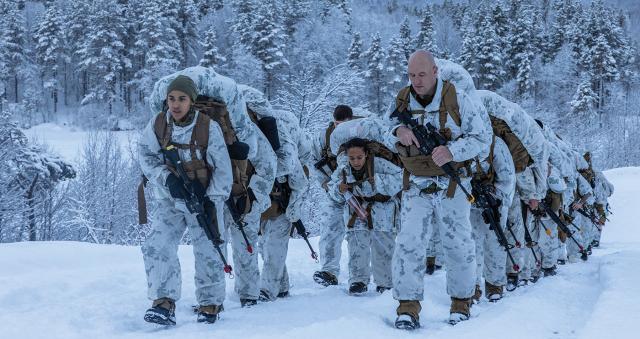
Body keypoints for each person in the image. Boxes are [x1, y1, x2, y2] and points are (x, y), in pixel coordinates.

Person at [387, 50, 492, 330]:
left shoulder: (457, 99)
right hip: (416, 184)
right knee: (409, 244)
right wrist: (398, 132)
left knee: (457, 244)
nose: (416, 81)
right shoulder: (401, 98)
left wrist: (452, 150)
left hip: (452, 183)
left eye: (421, 74)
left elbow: (482, 139)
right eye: (411, 75)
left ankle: (461, 302)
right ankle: (407, 306)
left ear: (435, 71)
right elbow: (383, 126)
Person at [138, 75, 232, 325]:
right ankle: (163, 302)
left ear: (191, 101)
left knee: (209, 247)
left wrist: (212, 199)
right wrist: (166, 180)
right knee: (157, 244)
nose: (176, 104)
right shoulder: (158, 124)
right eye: (171, 98)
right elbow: (146, 155)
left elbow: (222, 169)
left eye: (182, 99)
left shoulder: (207, 126)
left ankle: (210, 302)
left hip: (204, 199)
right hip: (170, 199)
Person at [327, 138, 402, 295]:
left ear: (366, 154)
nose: (355, 161)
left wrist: (377, 181)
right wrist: (339, 189)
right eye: (352, 158)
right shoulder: (343, 169)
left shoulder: (380, 165)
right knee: (356, 245)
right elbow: (331, 190)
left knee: (384, 246)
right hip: (356, 209)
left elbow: (400, 179)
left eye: (359, 157)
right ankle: (358, 281)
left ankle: (385, 282)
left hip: (383, 210)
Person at [309, 105, 356, 287]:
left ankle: (360, 274)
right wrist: (324, 183)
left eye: (345, 124)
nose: (340, 129)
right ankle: (329, 271)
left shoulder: (360, 132)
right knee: (330, 229)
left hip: (360, 191)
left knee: (360, 233)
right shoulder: (323, 137)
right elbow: (313, 160)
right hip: (334, 190)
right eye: (338, 124)